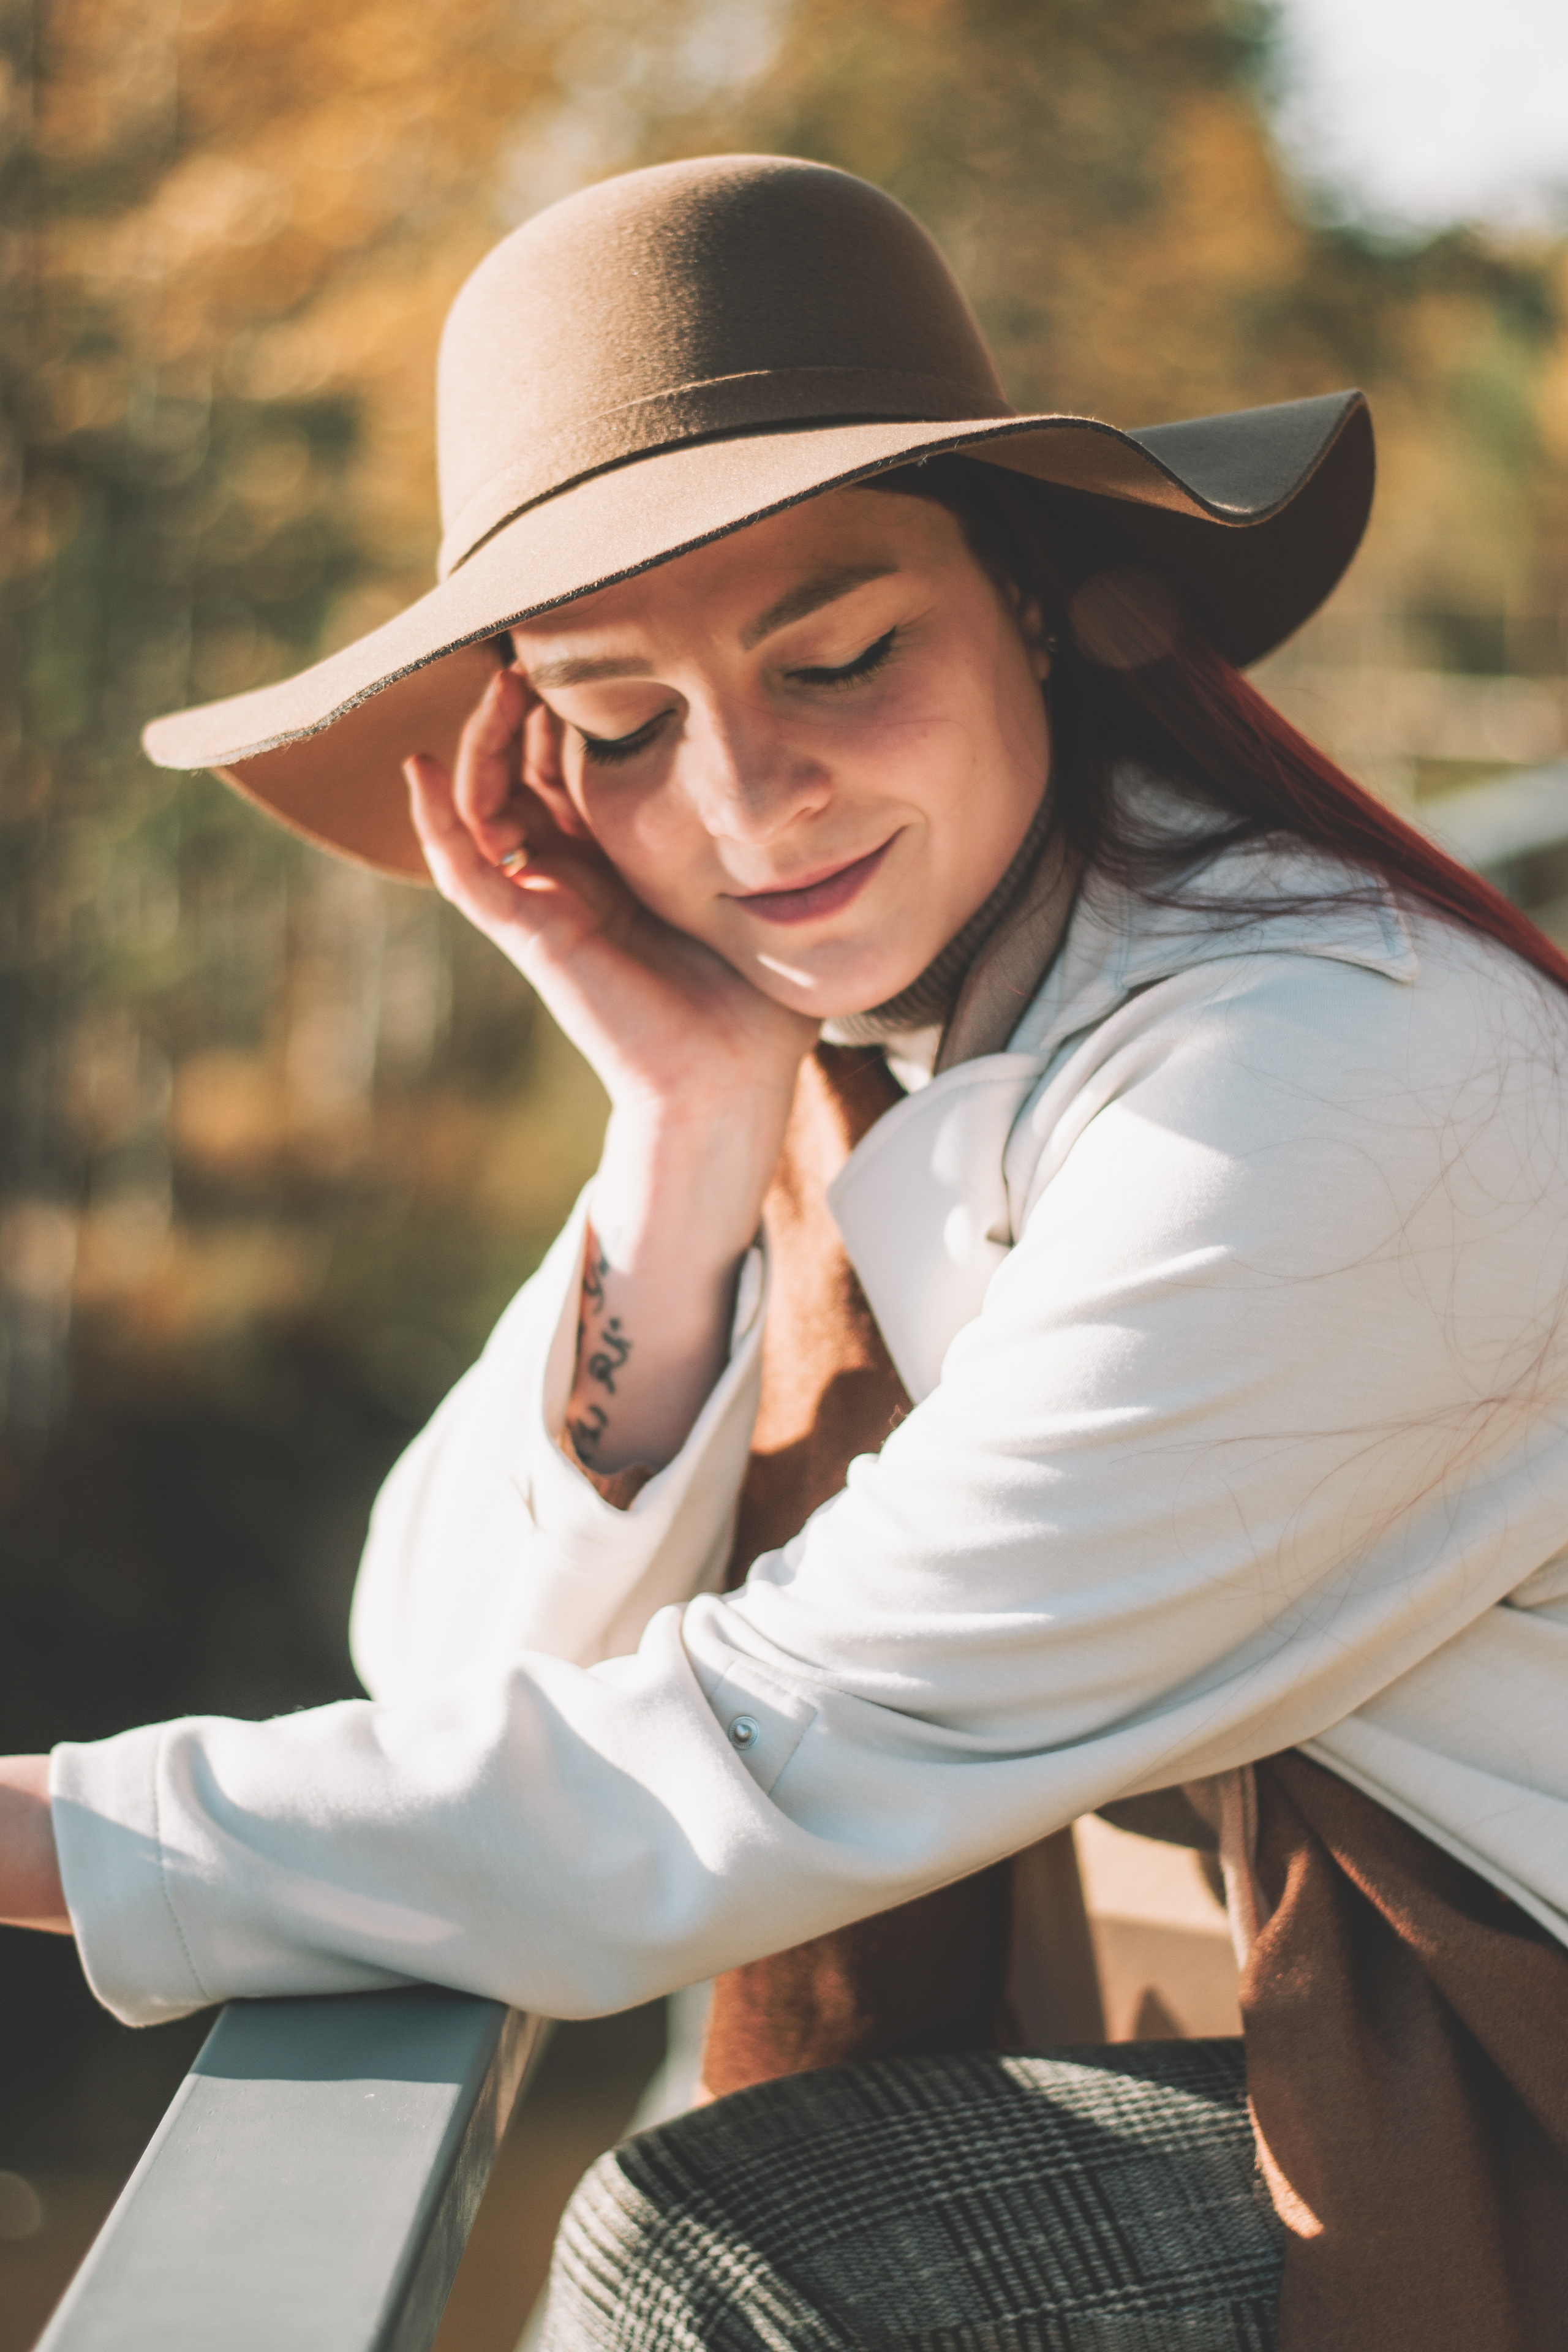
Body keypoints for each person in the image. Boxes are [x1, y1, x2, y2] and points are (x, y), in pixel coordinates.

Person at [3, 155, 1568, 2350]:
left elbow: (780, 1746)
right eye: (620, 725)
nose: (748, 807)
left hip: (1500, 2070)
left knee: (736, 2249)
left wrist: (50, 1833)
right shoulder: (872, 1065)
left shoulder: (1335, 1081)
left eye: (837, 657)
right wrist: (684, 1124)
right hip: (1337, 2019)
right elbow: (456, 1685)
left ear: (1027, 596)